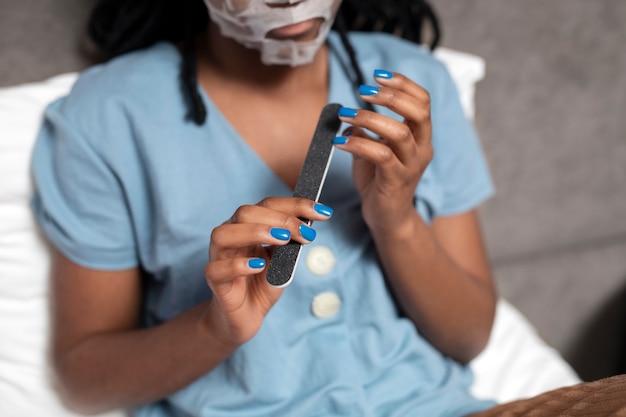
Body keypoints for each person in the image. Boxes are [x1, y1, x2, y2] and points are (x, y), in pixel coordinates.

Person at [31, 0, 500, 415]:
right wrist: (214, 329)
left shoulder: (411, 82)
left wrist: (395, 221)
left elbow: (470, 336)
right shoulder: (107, 116)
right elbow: (84, 382)